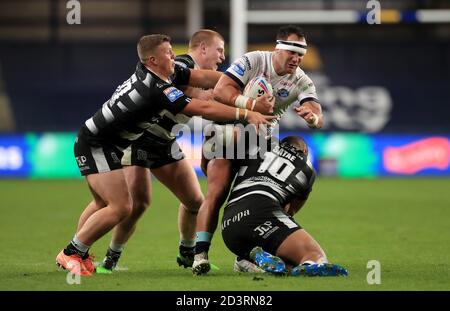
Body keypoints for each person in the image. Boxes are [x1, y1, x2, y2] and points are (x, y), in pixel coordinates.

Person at [55, 34, 275, 276]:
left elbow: (201, 77)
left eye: (172, 51)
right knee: (122, 206)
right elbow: (202, 106)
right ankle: (73, 252)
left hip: (118, 143)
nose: (173, 56)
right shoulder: (156, 88)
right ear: (152, 60)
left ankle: (82, 252)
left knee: (107, 203)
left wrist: (236, 80)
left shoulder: (163, 72)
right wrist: (248, 110)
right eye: (168, 53)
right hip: (98, 143)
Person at [192, 25, 324, 275]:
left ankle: (251, 252)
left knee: (272, 192)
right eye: (292, 52)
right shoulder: (253, 60)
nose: (296, 59)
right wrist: (252, 105)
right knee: (218, 191)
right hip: (226, 131)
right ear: (278, 49)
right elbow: (221, 91)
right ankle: (200, 255)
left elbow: (317, 113)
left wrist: (313, 119)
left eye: (300, 55)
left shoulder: (301, 81)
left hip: (261, 142)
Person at [99, 30, 227, 272]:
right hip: (139, 138)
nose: (222, 56)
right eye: (219, 50)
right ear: (202, 48)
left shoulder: (190, 70)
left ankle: (187, 252)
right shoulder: (179, 65)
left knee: (195, 202)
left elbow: (207, 91)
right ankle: (109, 258)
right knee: (138, 204)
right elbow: (187, 97)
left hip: (164, 141)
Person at [221, 135, 348, 277]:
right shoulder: (306, 167)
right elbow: (290, 211)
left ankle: (247, 258)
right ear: (305, 151)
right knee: (313, 254)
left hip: (228, 225)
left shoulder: (259, 147)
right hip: (262, 210)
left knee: (279, 260)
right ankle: (306, 264)